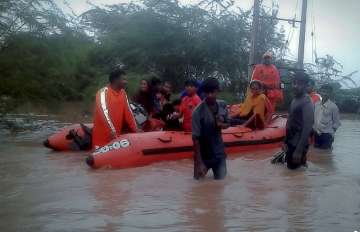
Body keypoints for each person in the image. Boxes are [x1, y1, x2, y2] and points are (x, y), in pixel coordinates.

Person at [192, 78, 230, 180]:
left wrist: (221, 124)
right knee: (197, 186)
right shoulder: (197, 112)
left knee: (221, 185)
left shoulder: (222, 105)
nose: (209, 95)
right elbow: (195, 138)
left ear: (217, 91)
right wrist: (199, 162)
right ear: (203, 93)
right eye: (207, 93)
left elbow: (228, 124)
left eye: (212, 92)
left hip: (219, 153)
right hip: (204, 155)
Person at [92, 64, 138, 149]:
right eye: (123, 79)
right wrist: (113, 132)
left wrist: (136, 130)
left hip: (116, 141)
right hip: (102, 140)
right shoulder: (103, 93)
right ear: (115, 80)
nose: (126, 82)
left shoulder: (123, 93)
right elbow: (104, 114)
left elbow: (129, 114)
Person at [282, 71, 314, 169]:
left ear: (306, 85)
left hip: (298, 144)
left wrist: (299, 150)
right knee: (292, 173)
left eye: (299, 83)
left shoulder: (307, 101)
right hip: (291, 141)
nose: (295, 86)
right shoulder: (295, 99)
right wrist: (285, 141)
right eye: (294, 83)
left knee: (295, 175)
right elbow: (290, 121)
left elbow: (307, 127)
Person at [313, 84, 341, 149]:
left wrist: (331, 134)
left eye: (327, 92)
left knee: (326, 154)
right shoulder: (316, 104)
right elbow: (314, 118)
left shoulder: (334, 107)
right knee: (317, 153)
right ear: (320, 92)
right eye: (323, 91)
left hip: (327, 135)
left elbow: (336, 123)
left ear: (330, 93)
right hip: (316, 133)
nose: (325, 94)